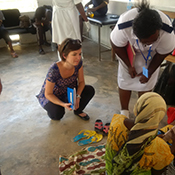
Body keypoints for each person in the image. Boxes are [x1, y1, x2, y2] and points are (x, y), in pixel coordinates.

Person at [110, 0, 175, 118]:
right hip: (128, 52)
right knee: (125, 80)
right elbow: (116, 45)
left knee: (146, 84)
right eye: (145, 41)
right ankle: (124, 111)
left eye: (152, 40)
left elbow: (162, 54)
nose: (148, 43)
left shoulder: (167, 32)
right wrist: (129, 65)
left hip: (153, 55)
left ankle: (142, 112)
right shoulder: (124, 25)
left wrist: (149, 72)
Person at [105, 92, 175, 175]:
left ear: (136, 108)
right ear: (160, 116)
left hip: (110, 171)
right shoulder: (161, 147)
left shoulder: (117, 122)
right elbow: (157, 173)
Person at [36, 38, 95, 120]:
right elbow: (48, 94)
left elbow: (81, 82)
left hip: (69, 92)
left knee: (89, 90)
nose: (78, 58)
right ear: (64, 55)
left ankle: (78, 110)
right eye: (74, 54)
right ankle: (55, 107)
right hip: (53, 95)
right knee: (57, 114)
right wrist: (62, 104)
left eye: (79, 54)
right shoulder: (54, 69)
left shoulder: (78, 63)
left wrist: (78, 97)